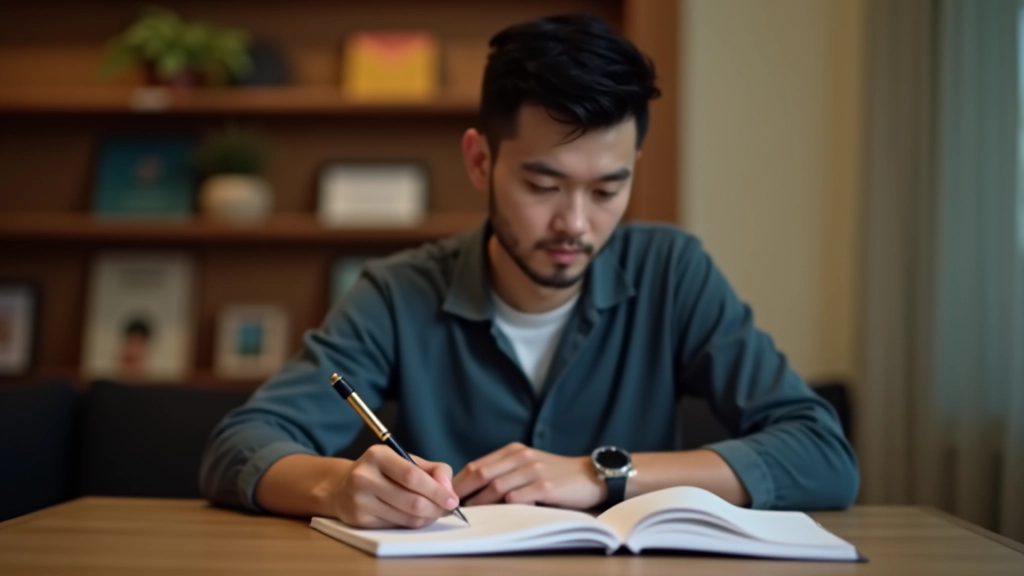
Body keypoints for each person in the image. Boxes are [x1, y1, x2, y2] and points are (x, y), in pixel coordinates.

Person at [199, 14, 859, 529]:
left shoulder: (672, 272)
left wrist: (603, 474)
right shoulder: (397, 293)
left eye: (607, 191)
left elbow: (821, 454)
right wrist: (338, 486)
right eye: (544, 185)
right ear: (481, 162)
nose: (576, 223)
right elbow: (240, 446)